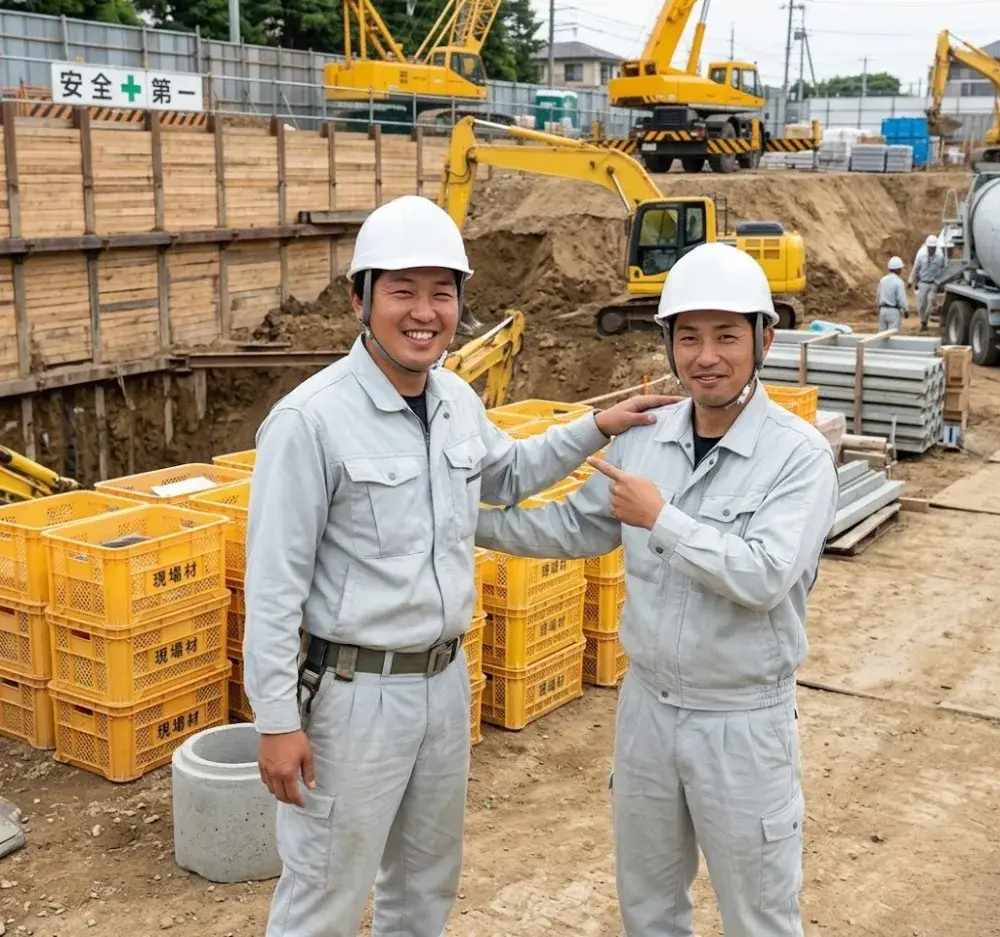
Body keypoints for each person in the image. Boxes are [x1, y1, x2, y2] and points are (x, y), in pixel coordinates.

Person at [241, 193, 676, 937]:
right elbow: (274, 587)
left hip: (444, 684)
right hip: (353, 695)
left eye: (441, 291)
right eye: (402, 290)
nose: (424, 311)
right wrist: (277, 720)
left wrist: (594, 426)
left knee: (424, 884)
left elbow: (503, 474)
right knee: (325, 894)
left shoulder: (453, 399)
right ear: (359, 298)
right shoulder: (309, 420)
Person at [476, 241, 839, 937]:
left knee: (758, 913)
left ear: (764, 338)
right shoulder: (646, 438)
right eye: (689, 336)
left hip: (740, 720)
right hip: (647, 711)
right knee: (648, 905)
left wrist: (662, 518)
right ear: (668, 343)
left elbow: (764, 574)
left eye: (727, 335)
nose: (707, 355)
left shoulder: (797, 456)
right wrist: (464, 521)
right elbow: (573, 527)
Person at [908, 234, 946, 332]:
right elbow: (916, 268)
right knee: (921, 305)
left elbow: (943, 270)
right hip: (923, 283)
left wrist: (942, 284)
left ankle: (924, 323)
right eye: (930, 248)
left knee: (930, 304)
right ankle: (923, 320)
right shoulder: (921, 254)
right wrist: (911, 280)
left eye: (933, 248)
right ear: (927, 246)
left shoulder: (940, 256)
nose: (931, 250)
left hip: (933, 283)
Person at [876, 256, 909, 332]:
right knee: (893, 336)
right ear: (899, 269)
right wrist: (906, 310)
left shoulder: (883, 280)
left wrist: (879, 307)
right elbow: (901, 298)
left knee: (881, 335)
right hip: (893, 312)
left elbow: (878, 295)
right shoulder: (899, 282)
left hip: (883, 310)